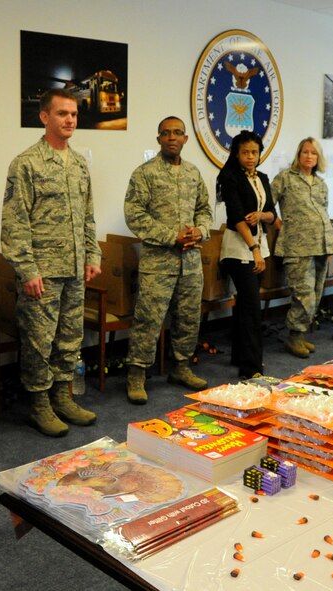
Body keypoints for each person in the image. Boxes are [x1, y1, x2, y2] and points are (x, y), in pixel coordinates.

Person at [2, 88, 102, 437]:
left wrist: (92, 255)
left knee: (69, 338)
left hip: (74, 269)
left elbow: (88, 216)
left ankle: (63, 396)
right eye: (62, 114)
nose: (70, 120)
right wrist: (27, 270)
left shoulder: (78, 164)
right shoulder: (26, 163)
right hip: (42, 273)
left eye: (74, 114)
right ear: (44, 117)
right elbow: (15, 223)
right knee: (38, 341)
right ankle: (39, 404)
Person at [123, 116, 213, 404]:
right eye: (166, 133)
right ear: (158, 138)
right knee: (148, 321)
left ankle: (181, 367)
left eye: (178, 133)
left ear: (186, 139)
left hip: (190, 262)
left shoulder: (193, 173)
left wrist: (200, 230)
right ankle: (137, 375)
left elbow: (204, 209)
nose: (172, 137)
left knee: (188, 318)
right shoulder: (144, 174)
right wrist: (170, 236)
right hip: (158, 264)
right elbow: (135, 215)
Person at [216, 130, 278, 378]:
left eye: (254, 152)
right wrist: (254, 250)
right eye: (245, 152)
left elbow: (273, 214)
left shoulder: (262, 177)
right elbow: (236, 218)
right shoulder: (231, 178)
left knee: (246, 304)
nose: (250, 157)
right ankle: (252, 367)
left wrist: (262, 216)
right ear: (237, 153)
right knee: (252, 306)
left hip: (260, 246)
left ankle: (239, 357)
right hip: (239, 249)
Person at [271, 137, 333, 358]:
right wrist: (277, 222)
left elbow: (323, 215)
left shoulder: (321, 184)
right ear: (298, 155)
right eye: (305, 152)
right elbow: (265, 204)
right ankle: (294, 337)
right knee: (304, 296)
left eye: (313, 153)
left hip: (320, 246)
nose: (309, 156)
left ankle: (300, 334)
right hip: (296, 247)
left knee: (316, 295)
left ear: (318, 158)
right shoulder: (285, 179)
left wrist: (329, 247)